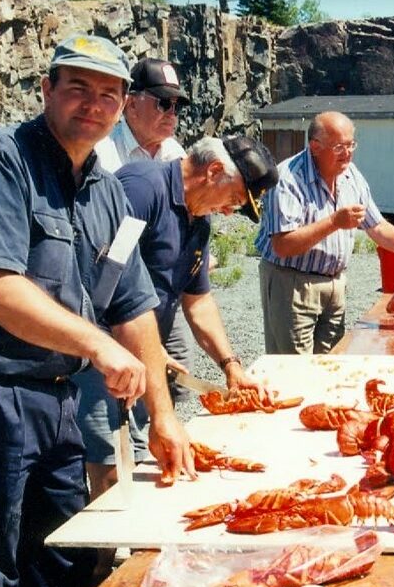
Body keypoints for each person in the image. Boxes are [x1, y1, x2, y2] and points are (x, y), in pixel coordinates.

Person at [0, 34, 194, 587]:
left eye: (108, 94)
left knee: (67, 556)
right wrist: (96, 346)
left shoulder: (107, 190)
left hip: (59, 406)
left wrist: (163, 417)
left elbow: (132, 305)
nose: (94, 105)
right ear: (46, 91)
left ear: (122, 108)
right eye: (78, 88)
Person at [76, 135, 280, 503]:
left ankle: (127, 540)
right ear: (214, 171)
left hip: (142, 352)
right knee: (109, 455)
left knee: (142, 449)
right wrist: (141, 345)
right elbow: (100, 282)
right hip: (103, 347)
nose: (230, 211)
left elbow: (198, 301)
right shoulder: (142, 189)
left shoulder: (197, 221)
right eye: (234, 198)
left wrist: (230, 365)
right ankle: (103, 556)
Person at [256, 110, 394, 354]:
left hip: (335, 284)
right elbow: (283, 245)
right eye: (339, 147)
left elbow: (377, 226)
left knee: (331, 364)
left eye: (351, 145)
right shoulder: (287, 179)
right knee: (295, 368)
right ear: (315, 147)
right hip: (293, 283)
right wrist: (335, 222)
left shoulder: (350, 175)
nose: (347, 153)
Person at [94, 56, 197, 407]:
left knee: (180, 374)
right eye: (163, 103)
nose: (173, 113)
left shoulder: (175, 153)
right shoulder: (103, 153)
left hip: (164, 288)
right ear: (131, 103)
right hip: (116, 290)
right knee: (125, 387)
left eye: (177, 105)